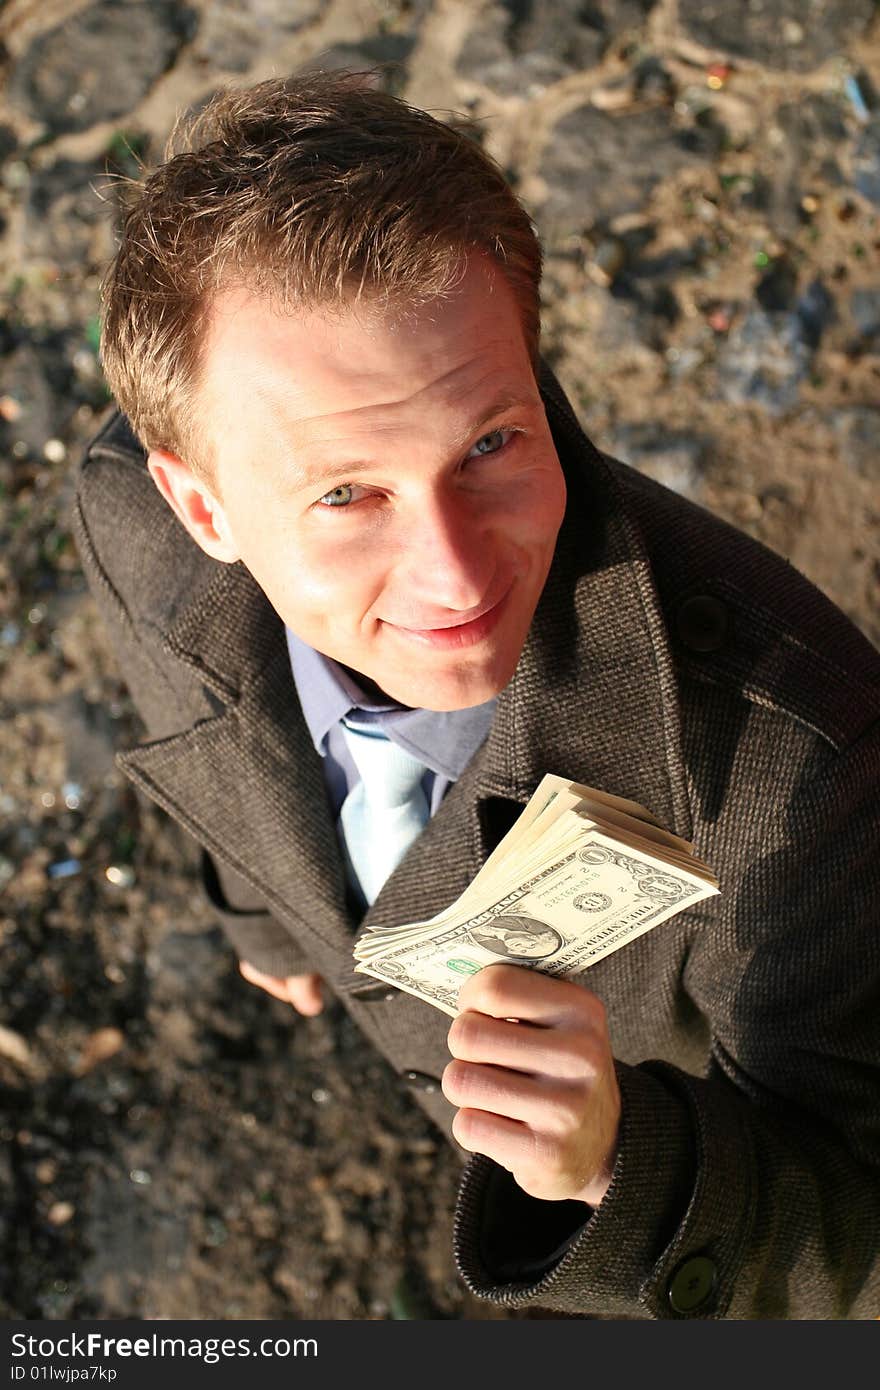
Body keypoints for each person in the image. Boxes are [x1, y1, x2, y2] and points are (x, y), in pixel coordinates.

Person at [73, 71, 880, 1319]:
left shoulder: (798, 773)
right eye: (346, 495)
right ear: (202, 508)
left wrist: (625, 1165)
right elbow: (202, 736)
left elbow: (854, 1211)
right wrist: (267, 925)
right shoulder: (131, 523)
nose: (455, 576)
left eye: (490, 444)